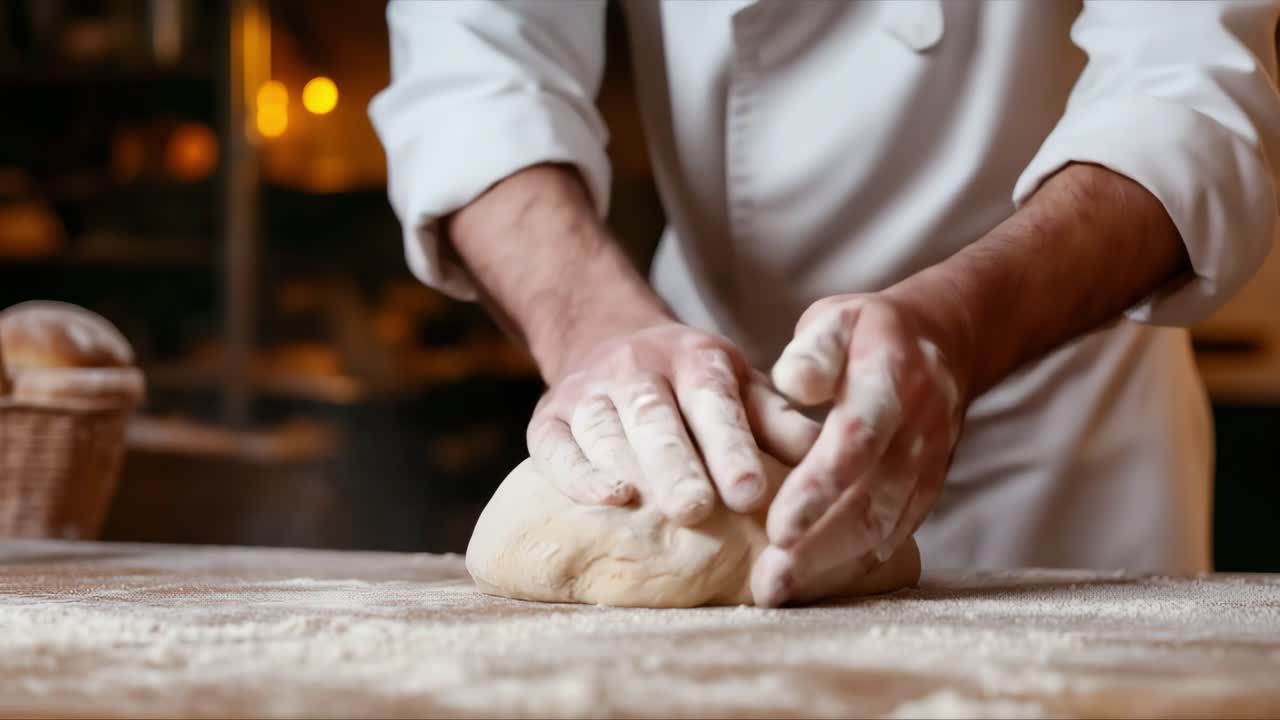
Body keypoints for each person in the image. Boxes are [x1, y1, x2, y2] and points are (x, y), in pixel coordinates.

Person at [370, 1, 1280, 607]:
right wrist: (596, 326)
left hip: (1052, 417)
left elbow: (1190, 87)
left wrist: (963, 324)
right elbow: (475, 72)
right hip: (684, 405)